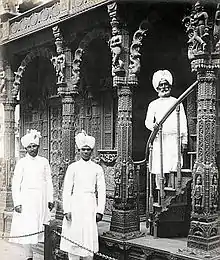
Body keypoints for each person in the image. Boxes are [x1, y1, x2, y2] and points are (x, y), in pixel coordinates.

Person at [60, 130, 106, 260]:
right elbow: (67, 190)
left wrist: (100, 211)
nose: (86, 152)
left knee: (88, 237)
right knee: (74, 235)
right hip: (75, 204)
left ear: (92, 151)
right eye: (83, 149)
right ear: (79, 150)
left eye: (88, 150)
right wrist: (67, 209)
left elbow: (101, 191)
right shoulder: (73, 167)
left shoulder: (97, 168)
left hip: (90, 204)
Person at [9, 129, 54, 260]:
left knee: (41, 226)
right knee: (27, 227)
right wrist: (17, 202)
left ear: (38, 146)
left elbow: (49, 180)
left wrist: (50, 198)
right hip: (26, 199)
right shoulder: (22, 163)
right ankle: (28, 255)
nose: (32, 149)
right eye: (29, 147)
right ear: (26, 148)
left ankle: (46, 254)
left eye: (34, 146)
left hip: (41, 198)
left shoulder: (44, 161)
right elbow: (16, 183)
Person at [145, 70, 188, 189]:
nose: (164, 87)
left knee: (173, 164)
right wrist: (153, 126)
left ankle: (172, 187)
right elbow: (147, 122)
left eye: (166, 84)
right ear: (157, 87)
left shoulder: (176, 102)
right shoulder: (153, 104)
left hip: (174, 139)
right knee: (160, 166)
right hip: (160, 139)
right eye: (161, 85)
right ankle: (160, 191)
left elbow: (183, 121)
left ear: (170, 85)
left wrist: (184, 140)